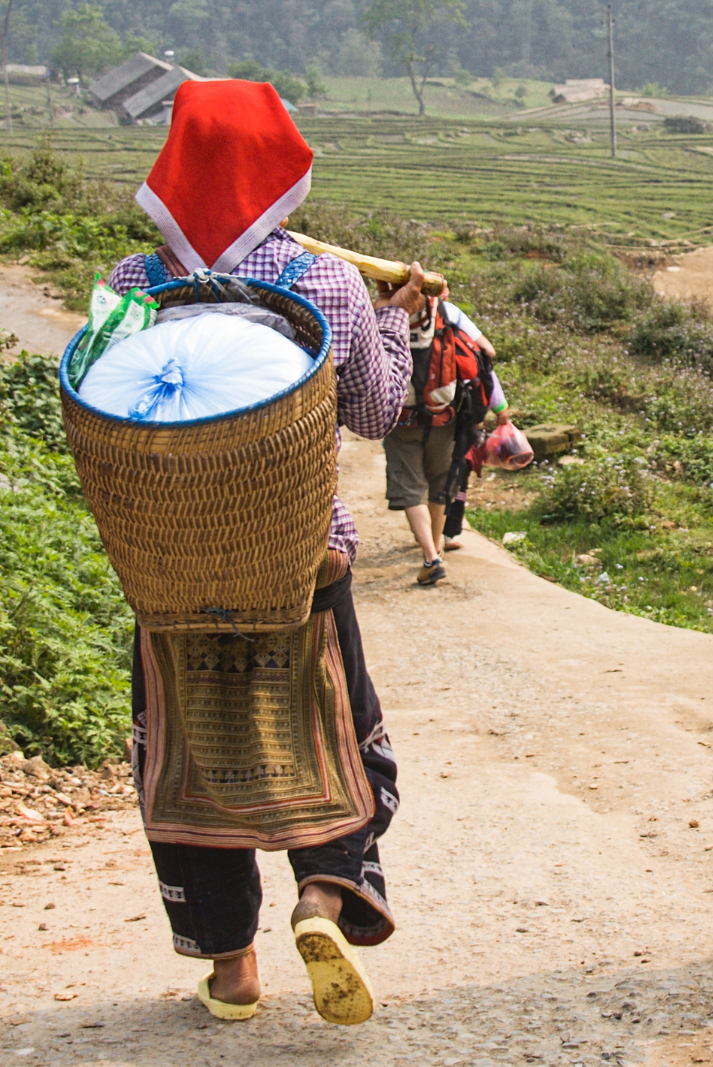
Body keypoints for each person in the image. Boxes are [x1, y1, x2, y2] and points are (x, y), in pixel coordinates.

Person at [102, 80, 420, 1025]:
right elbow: (374, 411)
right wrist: (394, 317)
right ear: (282, 177)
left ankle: (231, 967)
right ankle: (322, 896)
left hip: (168, 567)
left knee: (190, 747)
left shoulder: (131, 284)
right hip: (299, 559)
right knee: (331, 730)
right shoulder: (324, 283)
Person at [384, 285, 504, 585]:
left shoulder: (383, 315)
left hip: (401, 419)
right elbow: (486, 352)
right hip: (444, 414)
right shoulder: (447, 313)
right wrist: (497, 405)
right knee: (440, 483)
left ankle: (431, 557)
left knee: (411, 488)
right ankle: (436, 547)